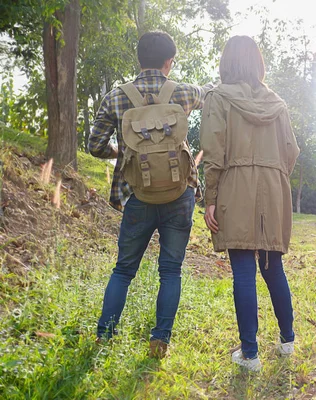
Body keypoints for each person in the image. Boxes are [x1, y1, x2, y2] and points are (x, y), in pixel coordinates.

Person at [89, 31, 210, 359]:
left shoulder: (117, 97)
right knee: (170, 270)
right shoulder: (182, 93)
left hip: (136, 194)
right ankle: (160, 339)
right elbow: (210, 93)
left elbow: (94, 145)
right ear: (169, 62)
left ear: (139, 60)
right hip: (179, 193)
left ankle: (105, 334)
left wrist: (123, 152)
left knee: (124, 270)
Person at [200, 35, 300, 372]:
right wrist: (274, 176)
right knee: (273, 266)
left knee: (243, 269)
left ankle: (250, 355)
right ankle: (287, 340)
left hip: (235, 186)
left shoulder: (218, 98)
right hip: (274, 187)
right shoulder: (279, 104)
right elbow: (291, 151)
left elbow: (213, 152)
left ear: (226, 62)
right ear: (258, 63)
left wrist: (210, 198)